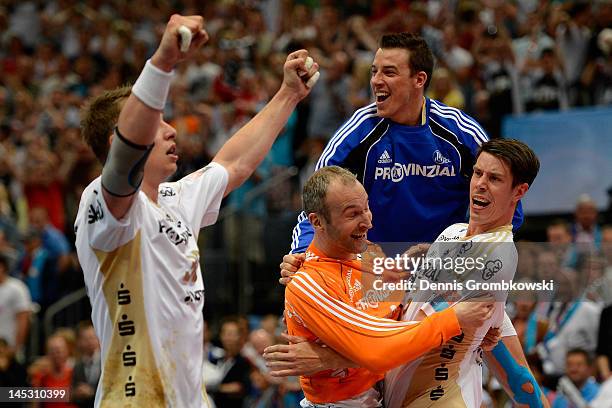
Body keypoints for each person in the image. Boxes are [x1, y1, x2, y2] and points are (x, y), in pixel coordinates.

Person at [279, 32, 541, 406]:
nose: (375, 81)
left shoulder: (459, 131)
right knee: (384, 367)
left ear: (419, 80)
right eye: (373, 71)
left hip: (449, 271)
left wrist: (478, 280)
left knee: (517, 375)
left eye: (388, 72)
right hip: (383, 279)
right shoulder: (358, 134)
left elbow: (502, 199)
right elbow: (316, 205)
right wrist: (303, 256)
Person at [74, 14, 319, 407]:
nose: (171, 130)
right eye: (159, 121)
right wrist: (163, 62)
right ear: (122, 137)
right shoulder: (105, 205)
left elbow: (234, 164)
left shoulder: (175, 199)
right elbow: (123, 160)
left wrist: (288, 94)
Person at [271, 140, 548, 407]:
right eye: (477, 173)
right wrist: (310, 261)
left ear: (519, 191)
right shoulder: (451, 233)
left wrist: (333, 358)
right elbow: (406, 313)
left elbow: (422, 337)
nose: (480, 184)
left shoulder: (497, 255)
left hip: (440, 394)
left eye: (495, 179)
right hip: (390, 395)